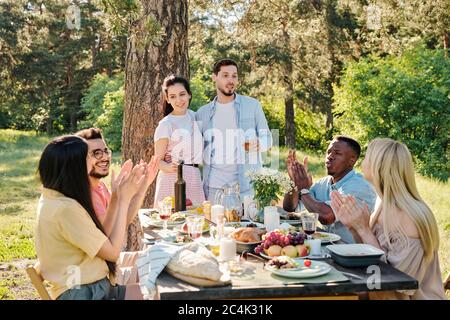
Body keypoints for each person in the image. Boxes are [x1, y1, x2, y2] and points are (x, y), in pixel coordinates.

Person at [35, 135, 159, 300]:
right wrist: (123, 198)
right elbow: (113, 253)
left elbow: (103, 235)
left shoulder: (56, 198)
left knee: (160, 288)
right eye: (89, 156)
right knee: (163, 289)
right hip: (84, 293)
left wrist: (122, 194)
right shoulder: (65, 210)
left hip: (92, 286)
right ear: (75, 167)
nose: (93, 160)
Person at [331, 138, 446, 300]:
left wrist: (364, 230)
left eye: (367, 157)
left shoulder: (409, 218)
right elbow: (370, 258)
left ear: (379, 166)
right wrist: (353, 226)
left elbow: (392, 284)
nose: (362, 162)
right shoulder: (383, 203)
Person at [195, 59, 273, 201]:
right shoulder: (202, 113)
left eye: (234, 76)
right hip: (214, 188)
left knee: (248, 224)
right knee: (213, 224)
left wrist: (260, 143)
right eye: (225, 75)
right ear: (214, 77)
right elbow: (194, 148)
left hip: (246, 187)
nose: (230, 80)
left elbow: (268, 139)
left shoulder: (253, 105)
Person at [283, 136, 377, 243]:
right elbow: (290, 207)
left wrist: (304, 190)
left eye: (337, 153)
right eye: (328, 152)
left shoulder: (359, 185)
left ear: (352, 160)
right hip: (330, 248)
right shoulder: (323, 183)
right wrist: (294, 182)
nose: (330, 156)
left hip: (355, 252)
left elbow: (327, 216)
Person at [75, 127, 148, 252]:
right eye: (96, 153)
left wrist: (142, 187)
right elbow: (107, 239)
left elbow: (121, 224)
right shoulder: (86, 194)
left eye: (105, 151)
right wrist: (117, 196)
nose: (105, 157)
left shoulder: (101, 186)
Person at [153, 75, 205, 205]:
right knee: (171, 222)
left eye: (182, 94)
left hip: (194, 177)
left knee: (196, 222)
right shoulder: (166, 124)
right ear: (168, 99)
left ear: (189, 95)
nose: (179, 100)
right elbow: (156, 161)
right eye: (173, 96)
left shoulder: (196, 117)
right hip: (172, 178)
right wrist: (170, 167)